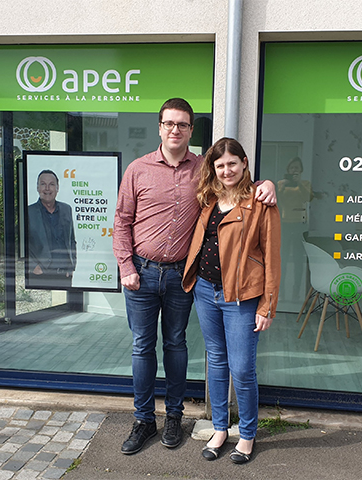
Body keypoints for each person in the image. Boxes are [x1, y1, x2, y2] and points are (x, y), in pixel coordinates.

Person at [112, 98, 276, 455]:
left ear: (190, 130)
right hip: (141, 273)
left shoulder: (204, 169)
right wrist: (126, 266)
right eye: (169, 123)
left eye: (183, 125)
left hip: (180, 279)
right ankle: (143, 420)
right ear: (160, 127)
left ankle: (173, 416)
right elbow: (121, 221)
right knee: (142, 347)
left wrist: (268, 183)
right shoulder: (138, 170)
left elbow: (238, 183)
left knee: (176, 345)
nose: (175, 130)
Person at [182, 137, 281, 464]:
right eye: (219, 165)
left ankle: (248, 435)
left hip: (241, 297)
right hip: (206, 291)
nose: (226, 171)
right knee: (217, 362)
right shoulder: (207, 198)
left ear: (244, 164)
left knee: (242, 368)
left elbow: (272, 257)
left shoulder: (260, 201)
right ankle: (221, 429)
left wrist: (267, 305)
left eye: (232, 164)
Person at [28, 169, 76, 289]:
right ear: (38, 188)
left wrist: (71, 266)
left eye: (51, 184)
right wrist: (32, 266)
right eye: (43, 184)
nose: (47, 188)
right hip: (40, 274)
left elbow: (71, 240)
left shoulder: (66, 209)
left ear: (57, 188)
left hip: (64, 275)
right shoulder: (28, 212)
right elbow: (20, 243)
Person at [277, 157, 313, 301]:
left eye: (297, 168)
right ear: (288, 170)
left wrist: (299, 183)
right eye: (292, 168)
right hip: (285, 223)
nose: (294, 170)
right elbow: (277, 200)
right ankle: (281, 292)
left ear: (301, 170)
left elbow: (308, 198)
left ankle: (296, 292)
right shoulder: (281, 184)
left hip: (300, 224)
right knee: (283, 259)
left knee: (299, 260)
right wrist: (282, 186)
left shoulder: (305, 184)